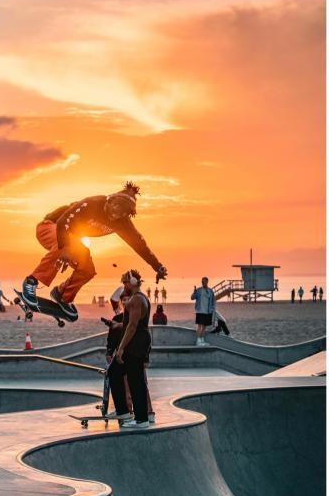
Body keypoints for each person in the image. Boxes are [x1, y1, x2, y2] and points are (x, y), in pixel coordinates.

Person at [21, 181, 167, 318]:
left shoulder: (123, 224)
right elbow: (62, 221)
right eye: (116, 208)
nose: (117, 214)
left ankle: (62, 295)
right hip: (49, 227)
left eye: (123, 213)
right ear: (110, 200)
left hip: (71, 240)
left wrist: (157, 266)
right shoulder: (92, 204)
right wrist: (65, 247)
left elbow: (139, 245)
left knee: (88, 269)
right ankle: (31, 282)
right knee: (69, 243)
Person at [104, 289, 155, 424]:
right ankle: (124, 412)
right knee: (115, 372)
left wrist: (120, 349)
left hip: (135, 347)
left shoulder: (137, 300)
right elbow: (127, 325)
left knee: (136, 382)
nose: (125, 302)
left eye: (127, 299)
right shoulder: (129, 307)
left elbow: (132, 327)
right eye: (123, 300)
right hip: (131, 347)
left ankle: (143, 417)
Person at [191, 277, 216, 346]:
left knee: (204, 327)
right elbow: (192, 298)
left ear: (207, 282)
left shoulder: (210, 291)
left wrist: (213, 309)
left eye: (204, 282)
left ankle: (202, 340)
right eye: (202, 282)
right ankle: (198, 341)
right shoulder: (198, 290)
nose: (203, 283)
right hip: (200, 311)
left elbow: (213, 301)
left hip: (208, 312)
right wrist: (194, 292)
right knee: (199, 326)